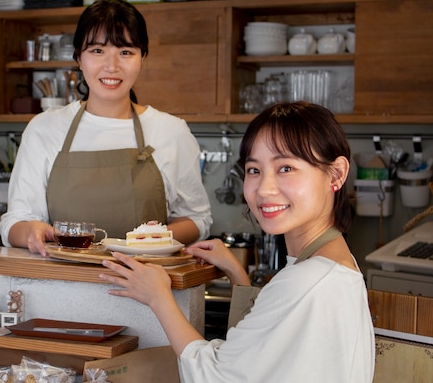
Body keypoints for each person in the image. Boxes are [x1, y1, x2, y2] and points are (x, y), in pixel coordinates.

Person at [100, 101, 375, 382]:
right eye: (254, 170)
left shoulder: (309, 281)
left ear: (337, 174)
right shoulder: (333, 265)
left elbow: (217, 376)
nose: (264, 189)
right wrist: (236, 272)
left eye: (286, 168)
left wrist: (158, 298)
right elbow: (262, 348)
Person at [0, 0, 212, 255]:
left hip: (147, 289)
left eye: (126, 52)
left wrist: (150, 239)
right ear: (78, 57)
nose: (112, 66)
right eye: (97, 51)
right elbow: (14, 221)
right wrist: (30, 231)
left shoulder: (171, 131)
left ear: (142, 58)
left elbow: (198, 219)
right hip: (60, 286)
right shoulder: (44, 128)